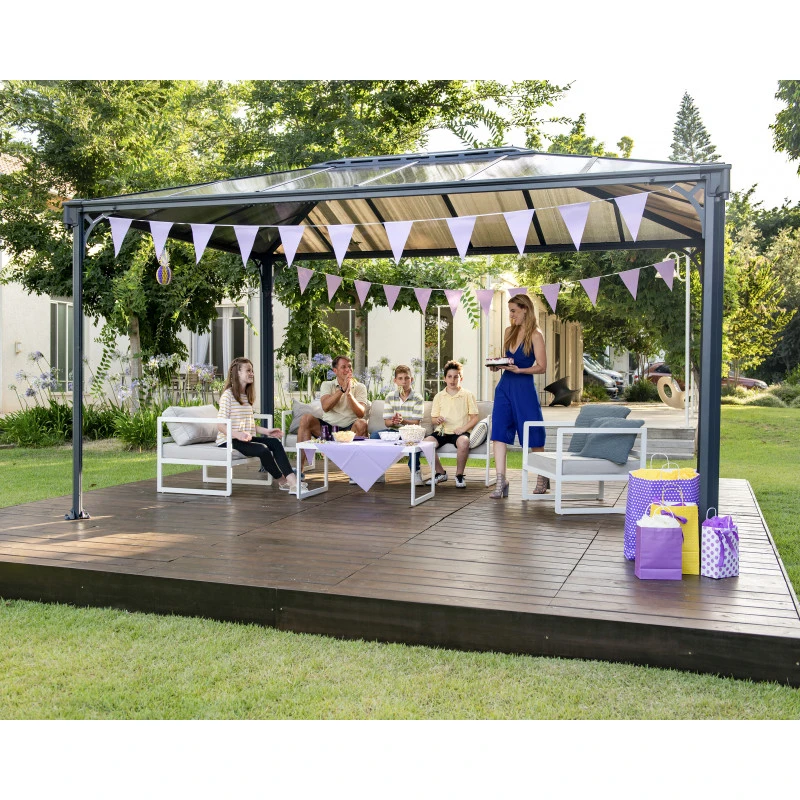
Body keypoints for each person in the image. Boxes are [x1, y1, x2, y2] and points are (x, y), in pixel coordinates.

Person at [216, 357, 306, 493]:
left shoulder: (245, 396)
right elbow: (220, 425)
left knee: (275, 443)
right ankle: (283, 481)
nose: (252, 373)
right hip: (228, 440)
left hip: (243, 438)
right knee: (262, 449)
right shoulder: (227, 396)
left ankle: (293, 483)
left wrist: (267, 431)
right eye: (248, 370)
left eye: (252, 371)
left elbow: (250, 424)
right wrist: (237, 434)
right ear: (237, 373)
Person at [488, 294, 547, 498]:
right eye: (509, 311)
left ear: (525, 309)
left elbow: (542, 367)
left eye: (513, 311)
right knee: (498, 432)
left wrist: (520, 370)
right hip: (504, 388)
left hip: (524, 389)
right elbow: (508, 360)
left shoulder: (536, 335)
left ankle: (542, 476)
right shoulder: (508, 331)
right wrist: (498, 366)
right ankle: (500, 481)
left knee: (533, 433)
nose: (511, 315)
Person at [423, 360, 478, 488]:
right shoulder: (439, 396)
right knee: (426, 443)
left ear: (461, 378)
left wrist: (463, 429)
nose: (452, 380)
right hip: (442, 431)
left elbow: (474, 418)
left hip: (460, 432)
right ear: (444, 378)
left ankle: (459, 475)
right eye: (449, 376)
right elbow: (433, 419)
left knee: (464, 442)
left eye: (456, 377)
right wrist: (437, 420)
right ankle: (441, 473)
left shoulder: (468, 395)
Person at [370, 364, 425, 486]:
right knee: (374, 436)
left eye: (407, 378)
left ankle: (415, 471)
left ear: (411, 380)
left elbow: (416, 423)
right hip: (394, 432)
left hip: (411, 433)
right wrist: (394, 421)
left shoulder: (417, 397)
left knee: (414, 441)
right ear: (395, 381)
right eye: (400, 378)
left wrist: (403, 421)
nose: (403, 381)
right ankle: (379, 471)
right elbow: (387, 423)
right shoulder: (390, 397)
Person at [296, 355, 369, 443]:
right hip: (328, 428)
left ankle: (354, 452)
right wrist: (342, 390)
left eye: (349, 366)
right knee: (305, 418)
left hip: (350, 429)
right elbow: (325, 407)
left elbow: (361, 414)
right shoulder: (327, 385)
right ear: (335, 371)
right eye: (343, 367)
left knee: (362, 423)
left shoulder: (360, 387)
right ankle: (302, 452)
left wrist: (349, 395)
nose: (348, 369)